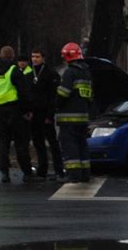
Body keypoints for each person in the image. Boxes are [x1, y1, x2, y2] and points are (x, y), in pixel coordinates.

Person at [0, 46, 33, 183]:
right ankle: (27, 173)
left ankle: (5, 173)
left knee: (3, 144)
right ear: (12, 57)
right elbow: (23, 92)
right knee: (21, 143)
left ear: (0, 55)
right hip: (14, 110)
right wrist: (27, 110)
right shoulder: (14, 70)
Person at [25, 49, 65, 182]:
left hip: (46, 114)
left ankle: (59, 170)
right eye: (32, 56)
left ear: (43, 58)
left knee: (53, 143)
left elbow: (53, 97)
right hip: (34, 114)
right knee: (38, 143)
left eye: (37, 56)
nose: (34, 59)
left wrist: (50, 114)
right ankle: (42, 171)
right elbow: (28, 94)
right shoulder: (30, 74)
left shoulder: (51, 74)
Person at [55, 42, 93, 183]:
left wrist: (55, 103)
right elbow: (89, 97)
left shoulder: (70, 72)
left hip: (68, 118)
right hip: (83, 117)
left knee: (69, 146)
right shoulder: (86, 72)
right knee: (82, 145)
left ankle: (74, 175)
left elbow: (63, 93)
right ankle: (85, 174)